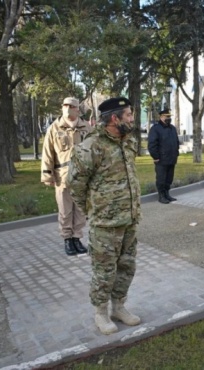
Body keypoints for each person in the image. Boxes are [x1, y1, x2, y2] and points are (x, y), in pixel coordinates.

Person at [67, 97, 141, 335]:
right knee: (104, 270)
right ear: (114, 118)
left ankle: (119, 307)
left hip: (129, 219)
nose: (132, 118)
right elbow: (75, 184)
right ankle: (100, 313)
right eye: (128, 114)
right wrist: (93, 209)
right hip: (105, 224)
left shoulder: (128, 142)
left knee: (127, 266)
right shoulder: (92, 146)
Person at [41, 97, 92, 256]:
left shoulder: (86, 128)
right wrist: (47, 174)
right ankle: (67, 239)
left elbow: (94, 150)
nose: (67, 108)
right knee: (65, 210)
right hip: (63, 176)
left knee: (80, 209)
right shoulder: (55, 128)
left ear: (78, 109)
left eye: (71, 106)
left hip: (82, 176)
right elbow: (47, 153)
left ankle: (77, 238)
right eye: (65, 106)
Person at [148, 109, 180, 204]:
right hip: (161, 159)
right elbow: (152, 144)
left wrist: (176, 153)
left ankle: (167, 194)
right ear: (161, 117)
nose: (168, 118)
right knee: (161, 178)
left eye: (169, 117)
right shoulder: (155, 128)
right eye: (167, 116)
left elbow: (176, 142)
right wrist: (155, 156)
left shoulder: (172, 128)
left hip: (172, 158)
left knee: (169, 178)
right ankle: (161, 196)